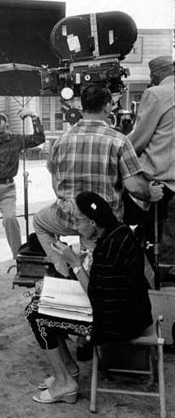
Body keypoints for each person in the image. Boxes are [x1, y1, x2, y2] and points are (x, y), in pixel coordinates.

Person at [26, 191, 153, 405]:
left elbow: (96, 297)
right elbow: (104, 290)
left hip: (118, 325)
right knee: (40, 302)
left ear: (93, 222)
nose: (75, 227)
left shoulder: (108, 247)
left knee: (36, 315)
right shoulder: (118, 232)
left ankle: (66, 382)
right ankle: (68, 370)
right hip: (129, 314)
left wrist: (75, 264)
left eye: (78, 221)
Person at [33, 83, 163, 278]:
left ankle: (61, 266)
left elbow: (55, 184)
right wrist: (150, 194)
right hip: (101, 222)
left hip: (67, 215)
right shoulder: (119, 140)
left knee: (39, 222)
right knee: (97, 274)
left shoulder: (61, 140)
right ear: (108, 107)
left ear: (81, 107)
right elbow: (134, 187)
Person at [0, 110, 45, 281]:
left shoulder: (16, 140)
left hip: (7, 189)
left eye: (1, 132)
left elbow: (39, 139)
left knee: (10, 220)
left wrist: (34, 117)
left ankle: (20, 261)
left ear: (7, 127)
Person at [126, 55, 174, 248]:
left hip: (161, 183)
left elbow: (138, 140)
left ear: (155, 74)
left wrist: (116, 143)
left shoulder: (156, 93)